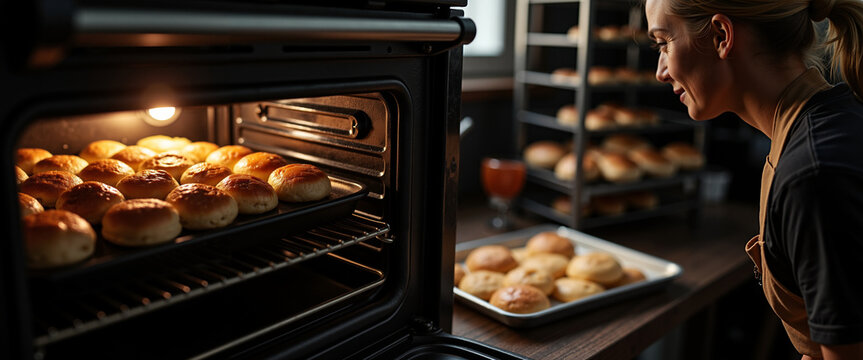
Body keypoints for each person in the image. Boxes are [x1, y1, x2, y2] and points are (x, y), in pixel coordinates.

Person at [644, 0, 863, 358]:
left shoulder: (814, 175)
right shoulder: (815, 129)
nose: (660, 70)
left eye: (664, 42)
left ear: (720, 35)